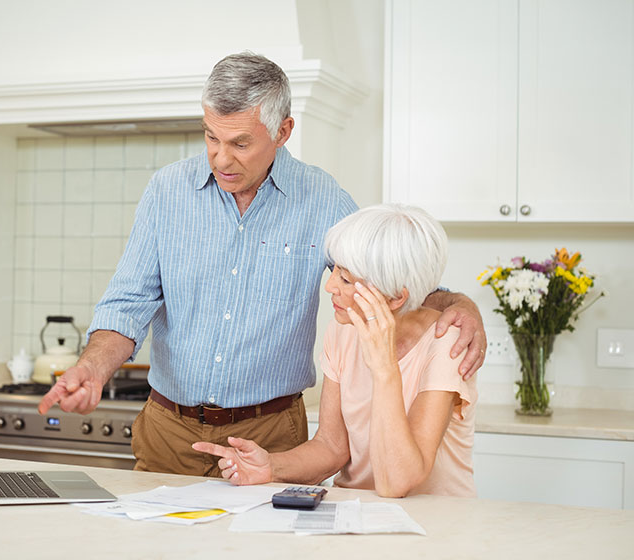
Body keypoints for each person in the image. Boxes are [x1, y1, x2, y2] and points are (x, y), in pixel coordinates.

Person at [38, 52, 487, 477]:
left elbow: (389, 279)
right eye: (211, 136)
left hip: (272, 435)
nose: (220, 157)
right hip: (167, 430)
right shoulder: (166, 192)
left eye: (240, 143)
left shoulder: (323, 200)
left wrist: (460, 304)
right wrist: (93, 368)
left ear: (283, 131)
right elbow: (129, 302)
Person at [193, 204, 477, 497]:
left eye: (345, 278)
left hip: (436, 522)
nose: (329, 286)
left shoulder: (446, 344)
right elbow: (332, 446)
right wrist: (270, 466)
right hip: (358, 510)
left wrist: (384, 368)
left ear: (394, 297)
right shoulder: (344, 329)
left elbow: (398, 481)